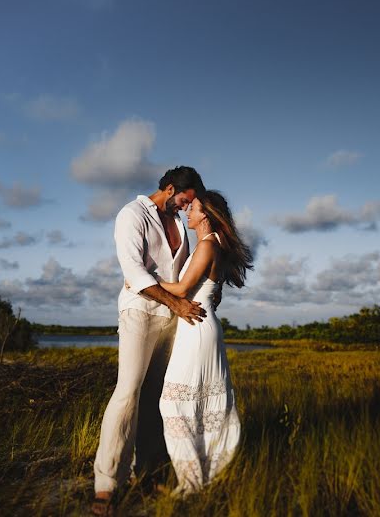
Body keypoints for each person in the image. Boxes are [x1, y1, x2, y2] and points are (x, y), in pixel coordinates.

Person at [92, 166, 209, 515]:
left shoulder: (179, 226)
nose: (186, 209)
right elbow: (134, 271)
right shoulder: (132, 214)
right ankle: (107, 483)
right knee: (128, 390)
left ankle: (147, 471)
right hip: (139, 313)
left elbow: (183, 273)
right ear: (170, 188)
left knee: (158, 396)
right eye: (184, 201)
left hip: (171, 321)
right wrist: (175, 301)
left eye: (191, 205)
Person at [156, 190, 253, 494]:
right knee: (195, 405)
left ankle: (191, 482)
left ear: (206, 216)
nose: (187, 212)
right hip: (200, 325)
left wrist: (145, 277)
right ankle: (199, 480)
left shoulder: (208, 246)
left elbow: (182, 288)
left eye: (193, 209)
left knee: (173, 404)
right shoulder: (214, 246)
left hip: (197, 329)